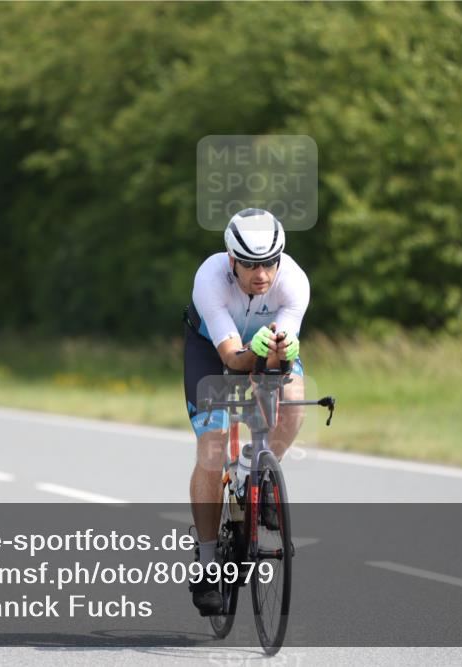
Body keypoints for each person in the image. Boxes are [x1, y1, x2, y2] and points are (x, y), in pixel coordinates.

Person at [183, 208, 309, 615]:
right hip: (214, 351)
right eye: (251, 264)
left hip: (262, 350)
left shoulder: (294, 282)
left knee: (293, 405)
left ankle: (258, 470)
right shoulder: (209, 278)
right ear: (231, 259)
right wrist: (254, 357)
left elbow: (278, 361)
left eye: (269, 263)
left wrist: (279, 357)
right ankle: (205, 565)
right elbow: (234, 359)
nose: (262, 274)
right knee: (213, 447)